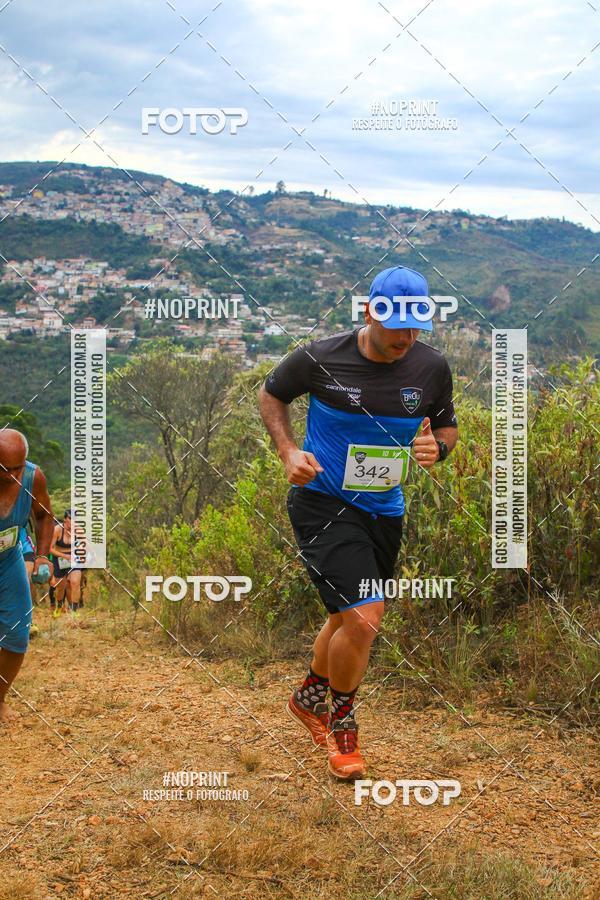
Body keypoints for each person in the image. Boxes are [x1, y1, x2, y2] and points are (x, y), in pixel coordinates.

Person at [259, 266, 458, 779]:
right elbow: (271, 393)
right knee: (366, 618)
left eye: (416, 328)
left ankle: (307, 698)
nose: (406, 338)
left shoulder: (431, 367)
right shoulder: (321, 357)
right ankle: (341, 726)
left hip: (384, 509)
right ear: (370, 313)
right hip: (323, 502)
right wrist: (287, 451)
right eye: (396, 326)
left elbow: (446, 427)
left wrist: (437, 447)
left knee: (348, 619)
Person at [0, 429, 54, 724]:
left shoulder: (33, 478)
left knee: (18, 635)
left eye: (18, 468)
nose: (13, 475)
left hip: (8, 562)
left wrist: (43, 555)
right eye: (5, 469)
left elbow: (45, 515)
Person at [50, 509, 83, 611]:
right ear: (65, 519)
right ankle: (59, 606)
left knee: (75, 582)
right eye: (71, 518)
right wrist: (64, 556)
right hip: (59, 558)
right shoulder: (57, 530)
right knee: (60, 587)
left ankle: (74, 611)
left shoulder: (79, 530)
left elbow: (85, 544)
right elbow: (50, 549)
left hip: (73, 558)